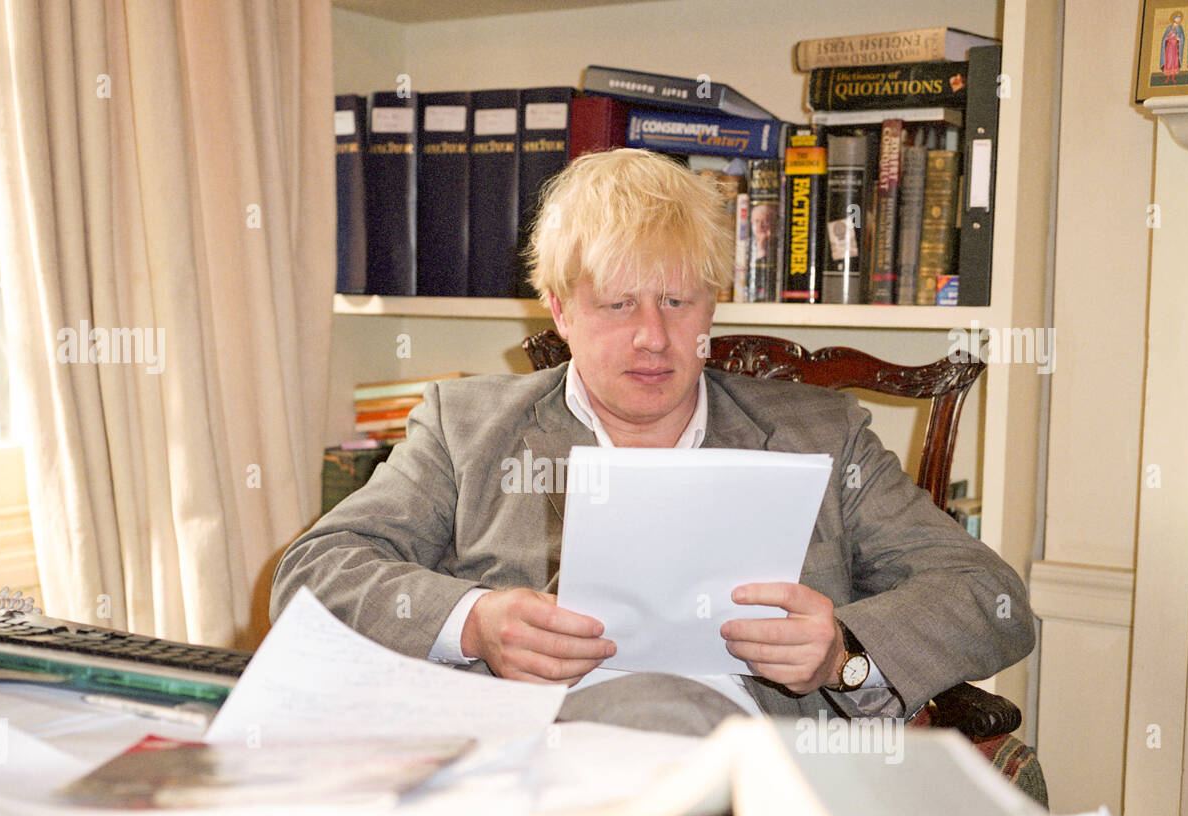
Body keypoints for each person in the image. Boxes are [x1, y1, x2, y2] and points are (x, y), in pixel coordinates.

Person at [271, 148, 1033, 724]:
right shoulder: (464, 428)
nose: (653, 338)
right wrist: (475, 622)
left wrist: (846, 653)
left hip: (752, 787)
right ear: (559, 309)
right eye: (617, 305)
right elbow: (311, 573)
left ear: (713, 307)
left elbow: (994, 598)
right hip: (529, 770)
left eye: (678, 300)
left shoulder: (822, 436)